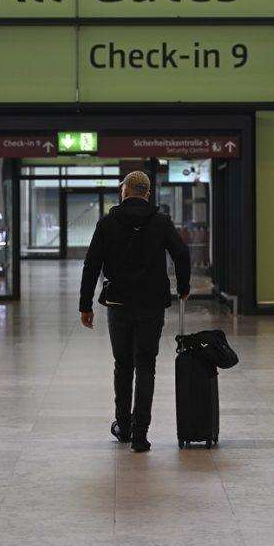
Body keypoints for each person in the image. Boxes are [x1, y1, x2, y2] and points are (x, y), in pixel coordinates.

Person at [79, 170, 191, 452]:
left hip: (119, 304)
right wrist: (184, 286)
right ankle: (141, 434)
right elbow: (181, 254)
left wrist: (85, 304)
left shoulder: (107, 222)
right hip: (152, 304)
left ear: (125, 192)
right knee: (146, 366)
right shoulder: (161, 221)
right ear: (147, 194)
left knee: (123, 365)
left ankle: (123, 427)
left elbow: (91, 264)